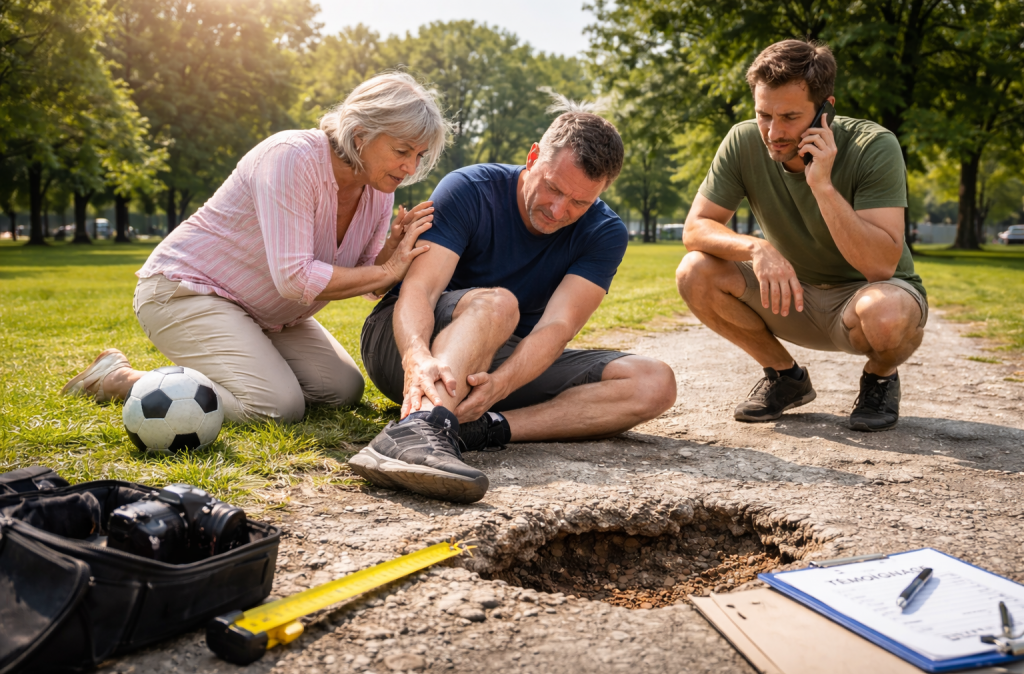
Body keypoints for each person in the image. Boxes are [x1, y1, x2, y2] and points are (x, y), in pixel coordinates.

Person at [62, 73, 449, 423]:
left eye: (419, 156)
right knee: (274, 407)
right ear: (361, 133)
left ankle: (238, 369)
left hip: (266, 313)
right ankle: (120, 380)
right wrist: (388, 269)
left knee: (342, 390)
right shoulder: (291, 157)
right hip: (184, 291)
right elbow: (296, 280)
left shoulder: (378, 191)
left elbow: (367, 281)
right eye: (402, 151)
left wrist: (392, 253)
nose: (411, 168)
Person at [351, 97, 678, 504]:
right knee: (500, 304)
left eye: (580, 202)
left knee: (654, 382)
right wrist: (416, 356)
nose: (559, 211)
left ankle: (479, 427)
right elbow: (420, 290)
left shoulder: (605, 233)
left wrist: (501, 385)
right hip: (405, 344)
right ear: (533, 156)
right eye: (553, 188)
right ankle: (416, 429)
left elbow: (556, 328)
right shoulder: (469, 188)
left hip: (498, 364)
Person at [675, 40, 927, 433]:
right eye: (763, 115)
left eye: (790, 117)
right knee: (694, 270)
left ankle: (880, 378)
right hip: (791, 294)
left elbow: (879, 265)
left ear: (825, 107)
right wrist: (757, 248)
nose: (773, 132)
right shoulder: (742, 141)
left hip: (864, 296)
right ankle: (785, 378)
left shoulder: (874, 146)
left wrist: (823, 186)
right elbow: (696, 228)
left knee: (888, 314)